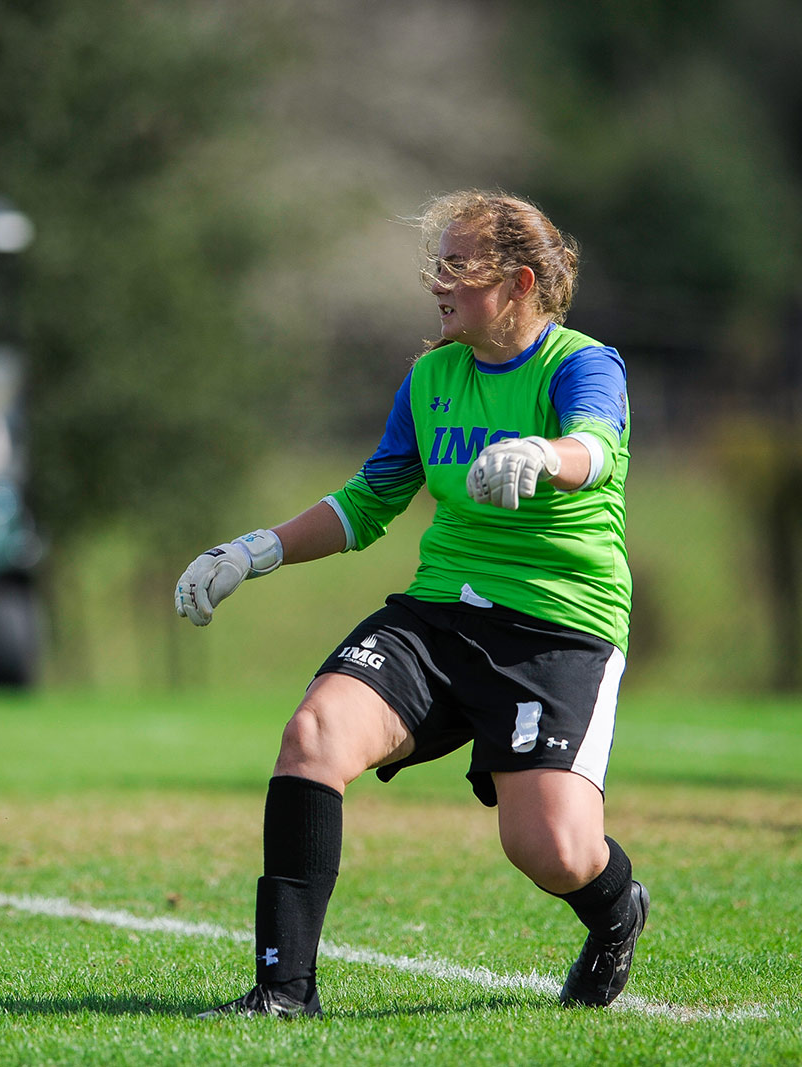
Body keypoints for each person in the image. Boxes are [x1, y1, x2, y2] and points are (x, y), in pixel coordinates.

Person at [174, 190, 645, 1018]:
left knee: (551, 849)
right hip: (440, 613)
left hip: (557, 626)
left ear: (520, 280)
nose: (438, 281)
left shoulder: (582, 363)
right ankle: (285, 993)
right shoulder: (431, 377)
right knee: (312, 735)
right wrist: (258, 549)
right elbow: (369, 500)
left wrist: (546, 452)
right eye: (438, 263)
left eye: (458, 264)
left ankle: (616, 911)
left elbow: (596, 448)